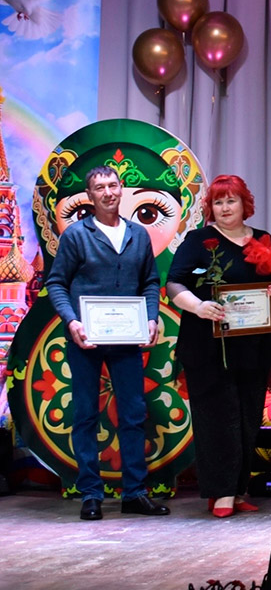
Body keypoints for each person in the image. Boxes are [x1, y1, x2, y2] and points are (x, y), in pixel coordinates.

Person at [43, 166, 169, 520]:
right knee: (85, 414)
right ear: (90, 195)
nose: (108, 192)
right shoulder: (76, 235)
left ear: (121, 189)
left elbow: (149, 282)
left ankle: (135, 494)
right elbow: (56, 283)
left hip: (127, 339)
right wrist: (72, 321)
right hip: (86, 338)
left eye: (113, 185)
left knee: (133, 414)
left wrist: (150, 316)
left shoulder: (138, 234)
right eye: (99, 188)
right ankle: (90, 495)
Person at [165, 175, 271, 518]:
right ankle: (220, 492)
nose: (224, 208)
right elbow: (174, 283)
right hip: (208, 347)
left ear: (244, 204)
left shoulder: (263, 239)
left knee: (248, 419)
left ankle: (238, 490)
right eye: (218, 202)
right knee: (218, 419)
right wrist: (198, 306)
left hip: (253, 347)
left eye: (230, 201)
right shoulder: (198, 240)